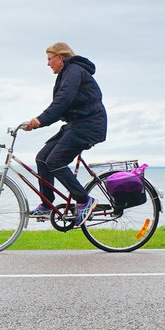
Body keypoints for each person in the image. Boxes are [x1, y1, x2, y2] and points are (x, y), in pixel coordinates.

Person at [21, 42, 107, 226]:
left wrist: (39, 119)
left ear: (60, 57)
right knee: (42, 158)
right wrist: (36, 123)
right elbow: (61, 109)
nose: (47, 63)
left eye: (49, 59)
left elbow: (63, 101)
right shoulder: (66, 74)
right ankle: (46, 204)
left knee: (55, 160)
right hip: (77, 124)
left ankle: (84, 200)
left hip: (89, 125)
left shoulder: (73, 71)